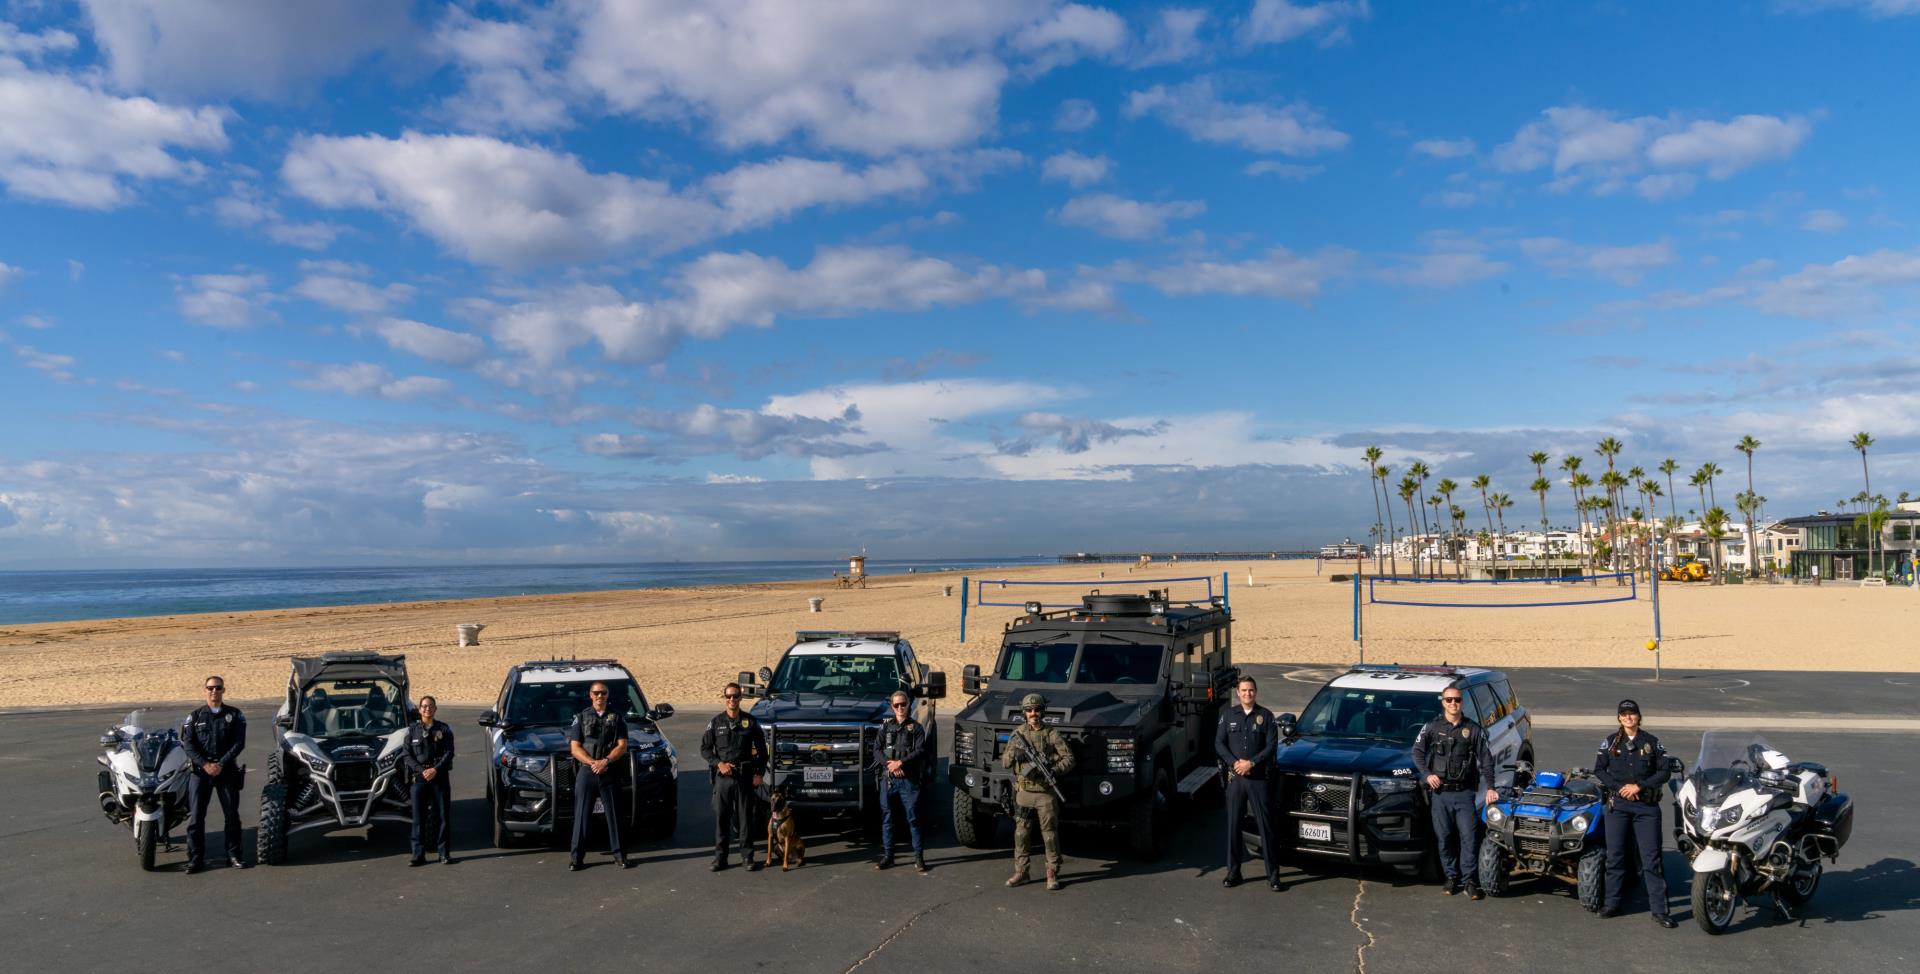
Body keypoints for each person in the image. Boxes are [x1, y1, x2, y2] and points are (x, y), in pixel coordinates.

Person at [1593, 699, 1676, 928]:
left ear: (1639, 716)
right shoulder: (1610, 742)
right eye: (1624, 714)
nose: (1628, 718)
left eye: (1632, 714)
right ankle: (1612, 904)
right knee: (1615, 857)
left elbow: (1664, 771)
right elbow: (1599, 769)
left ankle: (1660, 911)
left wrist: (1639, 786)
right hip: (1618, 806)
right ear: (1619, 718)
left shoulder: (1652, 742)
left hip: (1645, 808)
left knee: (1651, 860)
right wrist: (1619, 788)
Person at [1411, 686, 1498, 899]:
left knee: (1469, 837)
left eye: (1457, 700)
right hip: (1440, 795)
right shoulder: (1432, 727)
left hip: (1465, 794)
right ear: (1443, 702)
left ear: (1462, 702)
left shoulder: (1473, 729)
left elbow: (1486, 760)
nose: (1453, 703)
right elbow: (1417, 752)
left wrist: (1491, 787)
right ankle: (1451, 877)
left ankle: (1469, 881)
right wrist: (1427, 774)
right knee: (1445, 838)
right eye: (1449, 700)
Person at [1001, 692, 1074, 891]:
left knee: (1049, 835)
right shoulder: (1018, 734)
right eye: (1029, 710)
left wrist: (1054, 769)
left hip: (1044, 793)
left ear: (1043, 711)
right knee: (1021, 834)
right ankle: (1022, 872)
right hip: (1024, 792)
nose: (1033, 713)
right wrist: (1015, 754)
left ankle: (1051, 873)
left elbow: (1069, 758)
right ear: (1024, 712)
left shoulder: (1051, 734)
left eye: (1037, 710)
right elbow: (1005, 762)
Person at [1215, 676, 1282, 891]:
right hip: (1236, 779)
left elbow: (1271, 746)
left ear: (1256, 692)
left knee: (1266, 828)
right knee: (1233, 826)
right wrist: (1235, 763)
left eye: (1251, 690)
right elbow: (1219, 743)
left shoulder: (1266, 716)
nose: (1247, 694)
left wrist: (1252, 763)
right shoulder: (1228, 715)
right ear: (1238, 693)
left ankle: (1273, 876)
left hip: (1258, 779)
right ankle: (1233, 872)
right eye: (1243, 690)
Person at [180, 675, 246, 873]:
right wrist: (205, 764)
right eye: (210, 688)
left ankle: (233, 855)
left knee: (232, 816)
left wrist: (221, 763)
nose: (214, 691)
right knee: (196, 818)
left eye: (218, 688)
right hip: (200, 773)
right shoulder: (195, 717)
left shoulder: (235, 715)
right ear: (205, 690)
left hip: (227, 772)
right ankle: (196, 859)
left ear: (223, 690)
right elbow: (188, 745)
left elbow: (238, 743)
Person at [699, 682, 766, 872]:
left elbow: (763, 751)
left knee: (745, 818)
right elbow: (705, 748)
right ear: (724, 698)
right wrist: (718, 763)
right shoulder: (716, 722)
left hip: (745, 777)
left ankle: (748, 857)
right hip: (723, 778)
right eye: (728, 696)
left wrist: (759, 774)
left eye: (735, 696)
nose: (732, 700)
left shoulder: (750, 722)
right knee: (722, 818)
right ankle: (720, 858)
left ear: (740, 698)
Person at [567, 681, 632, 871]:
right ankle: (576, 858)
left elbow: (622, 745)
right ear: (590, 695)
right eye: (596, 693)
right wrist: (592, 762)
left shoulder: (617, 717)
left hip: (609, 770)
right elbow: (575, 747)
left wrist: (606, 761)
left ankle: (620, 856)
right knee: (581, 815)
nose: (600, 696)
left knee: (614, 815)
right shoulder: (580, 717)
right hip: (588, 771)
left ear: (608, 695)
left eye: (603, 693)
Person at [873, 690, 929, 874]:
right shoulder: (886, 727)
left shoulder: (917, 728)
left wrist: (901, 763)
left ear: (909, 705)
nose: (900, 708)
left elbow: (920, 751)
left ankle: (919, 858)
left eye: (903, 704)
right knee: (887, 818)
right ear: (892, 707)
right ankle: (889, 856)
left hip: (908, 781)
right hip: (889, 780)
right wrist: (889, 765)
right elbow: (876, 750)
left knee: (913, 818)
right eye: (896, 705)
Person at [403, 695, 455, 866]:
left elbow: (449, 753)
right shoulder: (412, 731)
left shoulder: (444, 729)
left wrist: (435, 769)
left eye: (431, 706)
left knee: (442, 817)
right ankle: (418, 855)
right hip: (419, 779)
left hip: (439, 777)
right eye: (424, 706)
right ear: (419, 709)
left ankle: (444, 853)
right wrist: (422, 771)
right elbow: (407, 755)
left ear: (435, 709)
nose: (427, 709)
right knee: (418, 818)